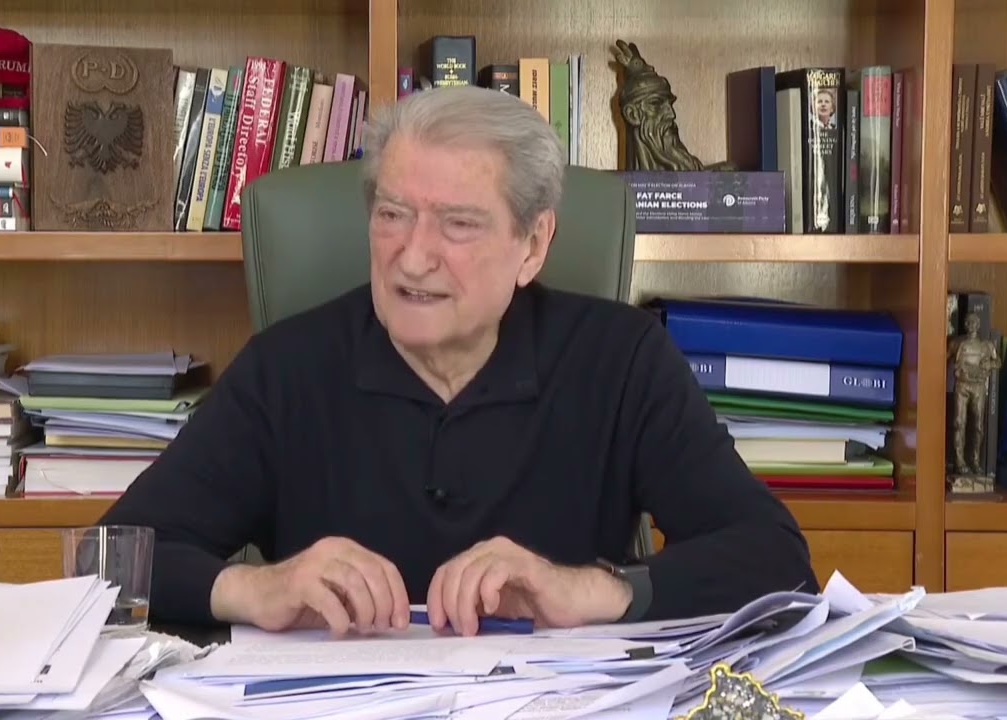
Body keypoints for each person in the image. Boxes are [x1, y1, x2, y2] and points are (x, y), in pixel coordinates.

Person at [99, 85, 817, 638]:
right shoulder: (286, 368)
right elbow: (111, 561)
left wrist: (592, 589)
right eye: (392, 214)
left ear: (533, 245)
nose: (413, 257)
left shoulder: (621, 357)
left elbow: (775, 557)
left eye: (459, 224)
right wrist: (256, 588)